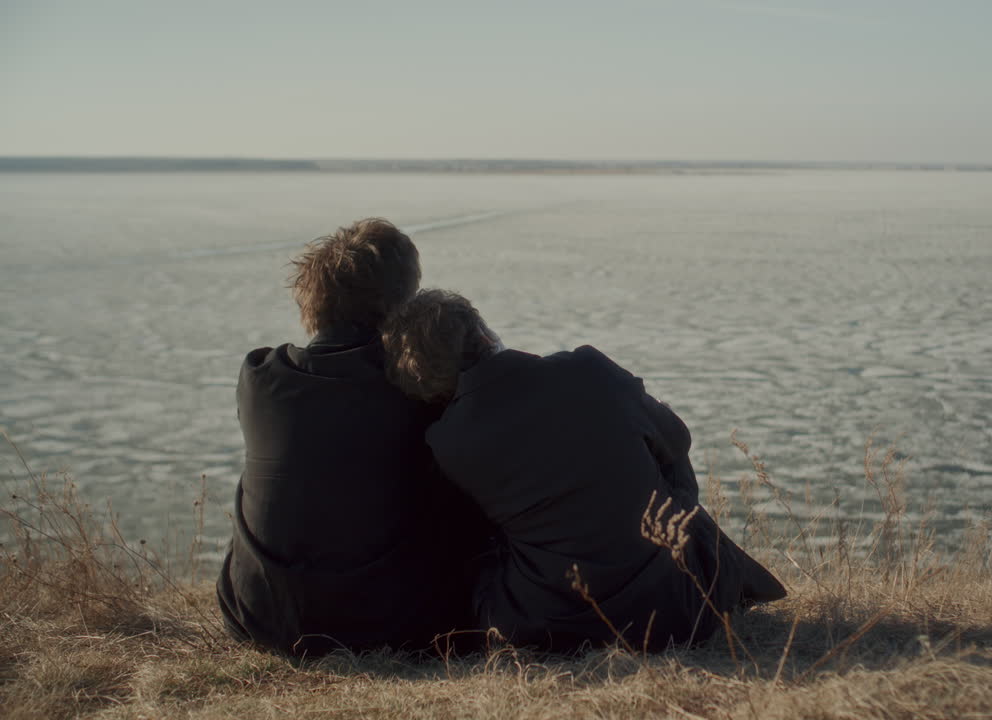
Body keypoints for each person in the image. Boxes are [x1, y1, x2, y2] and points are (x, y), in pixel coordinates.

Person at [380, 289, 787, 652]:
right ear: (485, 335)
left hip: (549, 627)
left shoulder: (448, 444)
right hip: (678, 612)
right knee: (660, 457)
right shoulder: (588, 371)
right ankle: (723, 570)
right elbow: (676, 440)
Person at [216, 219, 491, 657]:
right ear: (403, 304)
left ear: (310, 301)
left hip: (257, 616)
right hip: (389, 626)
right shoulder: (417, 390)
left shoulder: (259, 377)